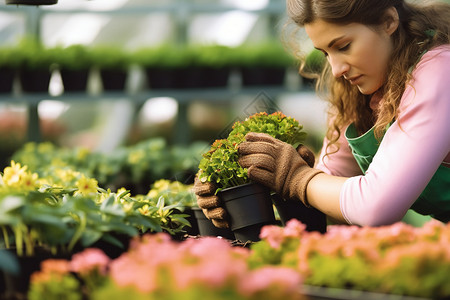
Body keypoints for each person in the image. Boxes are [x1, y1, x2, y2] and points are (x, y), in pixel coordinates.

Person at [195, 0, 450, 228]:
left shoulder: (440, 70)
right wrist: (239, 188)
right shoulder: (361, 90)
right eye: (326, 53)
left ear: (388, 21)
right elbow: (332, 186)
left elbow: (374, 206)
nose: (336, 69)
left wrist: (298, 178)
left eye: (344, 46)